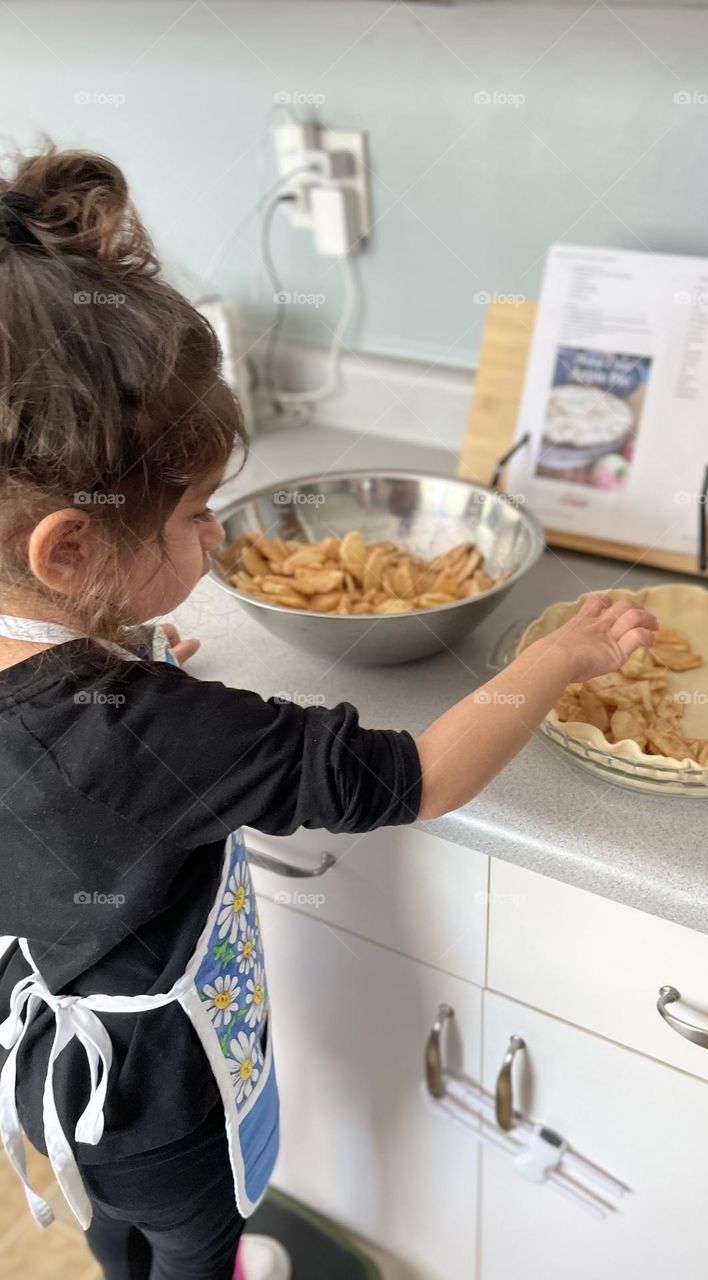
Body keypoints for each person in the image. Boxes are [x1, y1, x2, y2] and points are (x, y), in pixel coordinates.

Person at [0, 146, 657, 1280]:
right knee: (197, 1243)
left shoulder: (67, 674)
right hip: (166, 1098)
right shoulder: (152, 729)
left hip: (53, 1070)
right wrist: (563, 653)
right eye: (199, 514)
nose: (217, 538)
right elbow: (428, 773)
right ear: (72, 550)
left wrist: (122, 650)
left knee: (122, 1231)